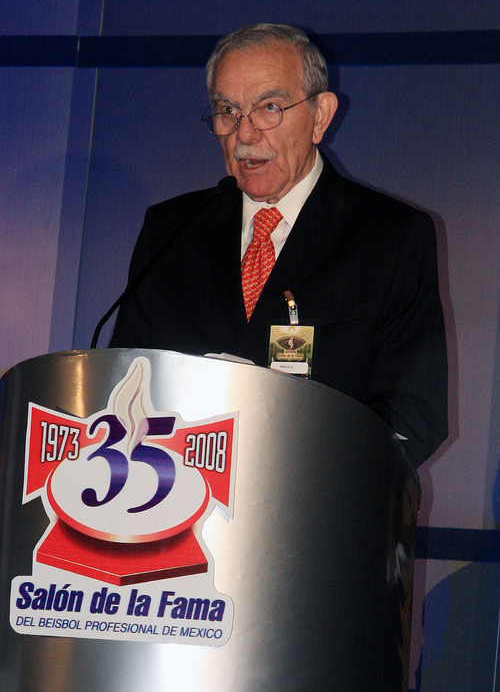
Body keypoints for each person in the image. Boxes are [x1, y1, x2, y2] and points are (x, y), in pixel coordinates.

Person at [110, 23, 447, 467]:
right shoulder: (171, 229)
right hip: (175, 495)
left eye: (268, 107)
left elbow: (414, 415)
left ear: (320, 116)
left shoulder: (391, 237)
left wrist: (290, 466)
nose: (245, 134)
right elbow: (121, 382)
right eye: (227, 110)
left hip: (314, 500)